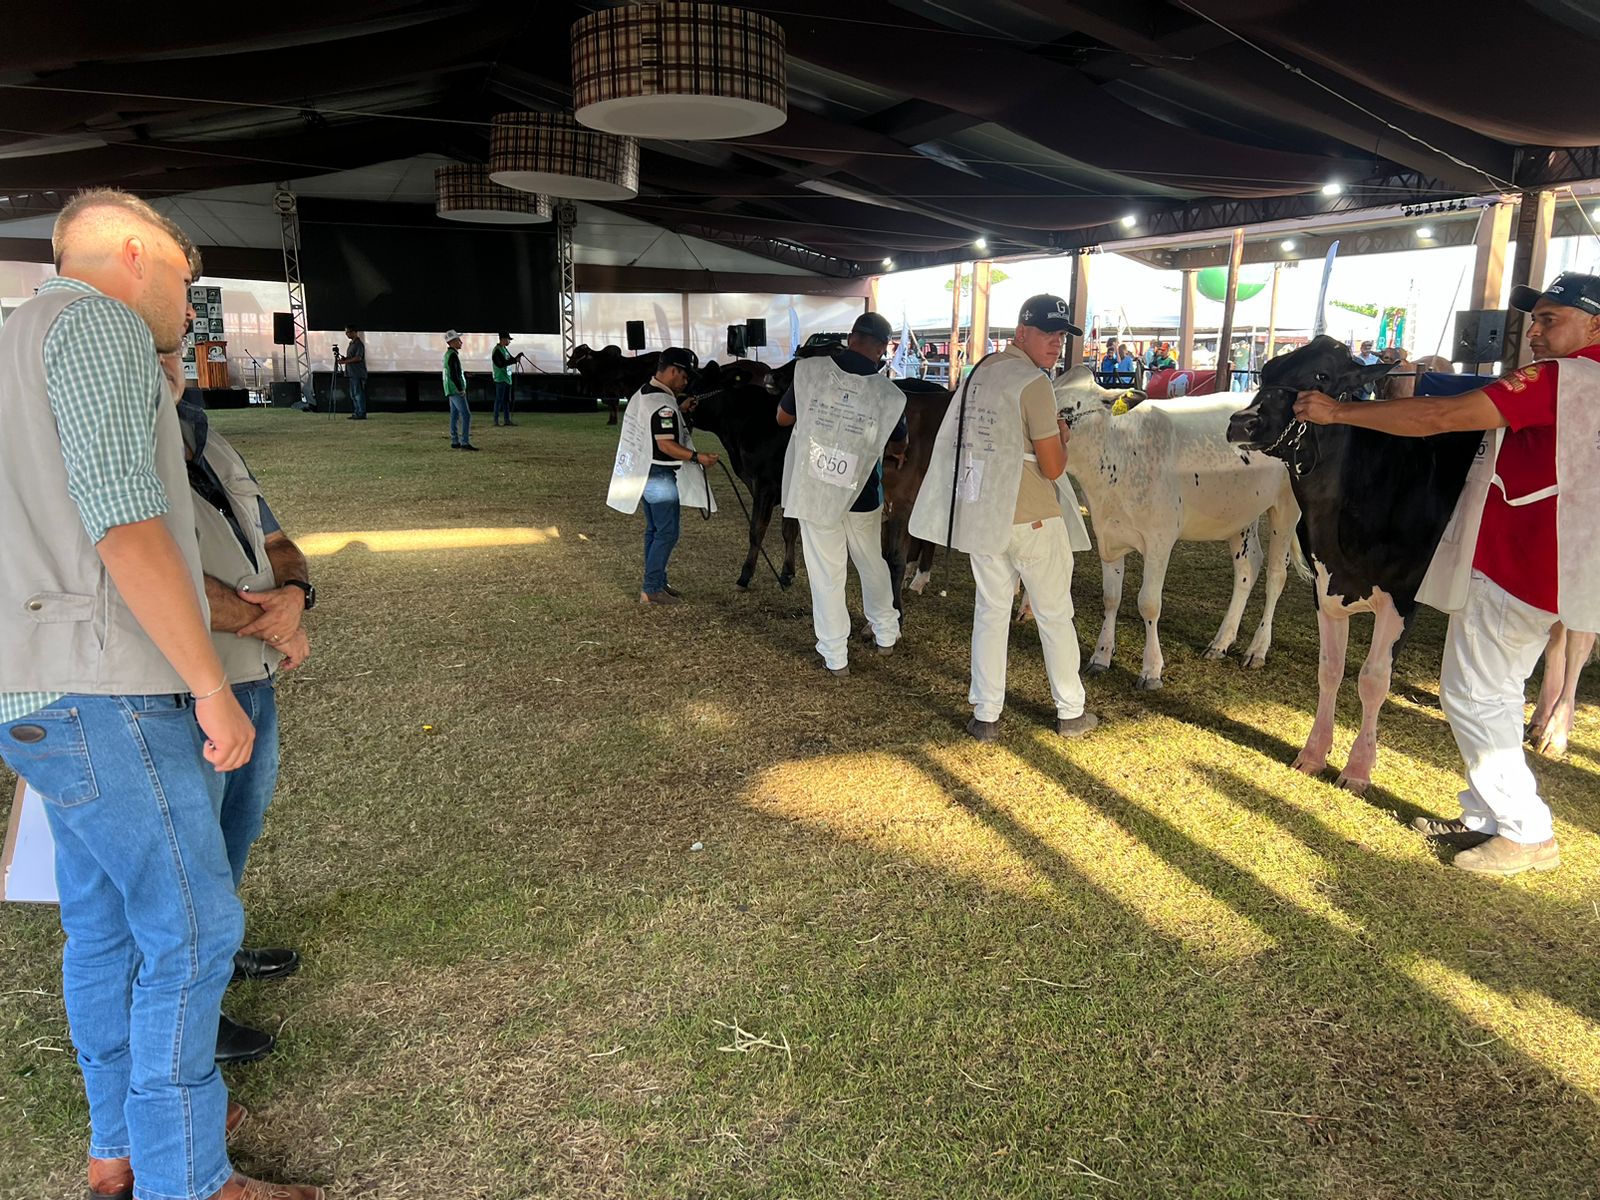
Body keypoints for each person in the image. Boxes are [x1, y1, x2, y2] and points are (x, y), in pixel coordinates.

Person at [0, 189, 321, 1200]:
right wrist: (207, 688)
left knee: (103, 926)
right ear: (135, 252)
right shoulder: (94, 322)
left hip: (42, 690)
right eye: (188, 281)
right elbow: (127, 524)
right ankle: (189, 1178)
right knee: (192, 927)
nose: (193, 307)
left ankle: (119, 1151)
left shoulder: (17, 341)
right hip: (113, 688)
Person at [1293, 270, 1600, 877]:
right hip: (1558, 561)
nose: (1533, 332)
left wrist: (1339, 412)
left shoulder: (1564, 379)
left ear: (1595, 324)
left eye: (1550, 320)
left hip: (1525, 561)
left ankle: (1525, 831)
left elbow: (1442, 416)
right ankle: (1485, 813)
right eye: (1534, 318)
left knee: (1472, 693)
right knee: (1499, 690)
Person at [160, 341, 314, 1067]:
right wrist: (268, 618)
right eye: (153, 355)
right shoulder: (130, 449)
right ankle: (194, 1008)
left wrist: (296, 595)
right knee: (184, 849)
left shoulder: (209, 441)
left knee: (235, 826)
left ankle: (217, 956)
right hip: (185, 684)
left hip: (251, 674)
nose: (171, 367)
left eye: (175, 354)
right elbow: (152, 573)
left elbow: (279, 539)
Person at [908, 295, 1099, 742]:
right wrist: (1063, 437)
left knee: (990, 612)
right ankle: (1070, 710)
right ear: (1022, 332)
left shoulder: (980, 374)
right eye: (1048, 333)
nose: (1055, 342)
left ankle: (987, 713)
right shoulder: (1033, 383)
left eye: (1060, 335)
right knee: (1054, 613)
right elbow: (1053, 467)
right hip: (1032, 515)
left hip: (983, 511)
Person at [776, 312, 909, 678]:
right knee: (870, 561)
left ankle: (836, 656)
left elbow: (782, 418)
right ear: (882, 349)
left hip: (817, 490)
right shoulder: (889, 393)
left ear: (850, 338)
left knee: (826, 572)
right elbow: (899, 442)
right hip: (863, 493)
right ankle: (886, 633)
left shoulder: (809, 371)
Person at [604, 347, 718, 605]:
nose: (685, 382)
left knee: (655, 530)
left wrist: (680, 407)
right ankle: (652, 587)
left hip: (643, 472)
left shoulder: (645, 393)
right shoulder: (663, 406)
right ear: (674, 370)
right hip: (659, 474)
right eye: (685, 376)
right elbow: (666, 444)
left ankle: (656, 581)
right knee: (667, 531)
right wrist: (698, 457)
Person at [443, 330, 475, 450]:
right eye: (458, 340)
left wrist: (464, 374)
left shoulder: (448, 355)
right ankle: (465, 442)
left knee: (454, 415)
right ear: (452, 342)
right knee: (466, 415)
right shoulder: (453, 355)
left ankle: (455, 440)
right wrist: (461, 389)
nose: (461, 342)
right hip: (455, 389)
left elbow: (454, 372)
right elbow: (453, 374)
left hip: (450, 389)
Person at [491, 332, 524, 427]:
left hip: (507, 379)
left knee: (506, 401)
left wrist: (516, 358)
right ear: (502, 339)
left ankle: (506, 420)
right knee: (499, 400)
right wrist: (514, 360)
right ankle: (496, 420)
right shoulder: (497, 350)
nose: (509, 341)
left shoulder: (504, 349)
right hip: (500, 379)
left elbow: (510, 360)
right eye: (508, 339)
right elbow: (501, 363)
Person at [335, 326, 367, 419]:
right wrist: (345, 359)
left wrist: (344, 362)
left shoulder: (358, 344)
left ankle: (361, 413)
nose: (347, 334)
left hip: (357, 373)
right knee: (353, 394)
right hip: (351, 373)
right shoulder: (351, 344)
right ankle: (357, 412)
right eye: (346, 332)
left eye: (349, 332)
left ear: (355, 332)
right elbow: (353, 357)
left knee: (358, 394)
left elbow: (358, 357)